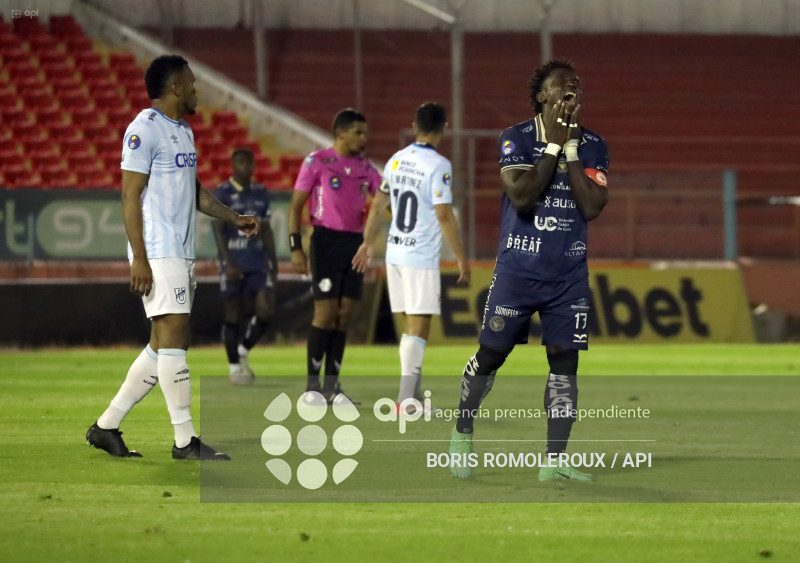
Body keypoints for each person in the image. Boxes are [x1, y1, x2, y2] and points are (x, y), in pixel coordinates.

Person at [86, 55, 259, 460]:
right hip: (158, 250)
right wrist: (139, 258)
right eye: (192, 83)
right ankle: (185, 441)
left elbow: (194, 191)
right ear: (176, 87)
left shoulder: (182, 131)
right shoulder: (143, 129)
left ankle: (106, 426)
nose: (197, 90)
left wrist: (234, 218)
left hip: (179, 252)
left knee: (160, 344)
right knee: (176, 339)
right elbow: (129, 195)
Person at [448, 59, 609, 481]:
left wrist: (570, 150)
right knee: (491, 355)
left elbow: (592, 206)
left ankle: (554, 460)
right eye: (562, 84)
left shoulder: (594, 144)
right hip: (518, 271)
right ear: (542, 96)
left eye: (576, 84)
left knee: (565, 365)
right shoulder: (516, 137)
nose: (572, 88)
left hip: (568, 275)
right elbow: (521, 197)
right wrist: (552, 147)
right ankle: (462, 429)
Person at [352, 102, 470, 407]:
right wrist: (461, 256)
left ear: (414, 125)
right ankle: (405, 400)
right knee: (419, 325)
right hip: (419, 253)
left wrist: (367, 242)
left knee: (410, 325)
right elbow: (443, 214)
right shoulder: (439, 166)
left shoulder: (396, 160)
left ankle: (412, 394)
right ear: (444, 128)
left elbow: (378, 205)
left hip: (395, 252)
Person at [288, 108, 382, 404]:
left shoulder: (367, 169)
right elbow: (296, 206)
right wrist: (295, 247)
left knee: (345, 315)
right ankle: (312, 387)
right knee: (325, 313)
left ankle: (331, 387)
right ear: (340, 133)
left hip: (355, 245)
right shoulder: (317, 161)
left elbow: (385, 201)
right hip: (325, 242)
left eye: (365, 133)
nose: (364, 138)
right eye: (358, 132)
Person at [212, 147, 277, 385]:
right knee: (233, 315)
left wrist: (274, 260)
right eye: (240, 163)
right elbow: (217, 229)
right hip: (234, 262)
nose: (245, 167)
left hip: (257, 261)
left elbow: (266, 230)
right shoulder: (223, 193)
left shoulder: (261, 193)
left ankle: (243, 348)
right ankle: (234, 368)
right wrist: (227, 262)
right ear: (233, 165)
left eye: (249, 163)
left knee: (266, 310)